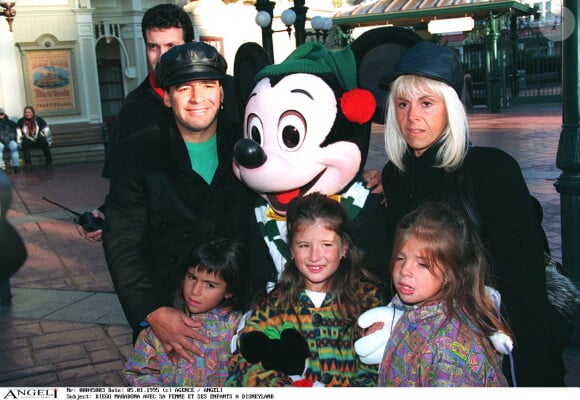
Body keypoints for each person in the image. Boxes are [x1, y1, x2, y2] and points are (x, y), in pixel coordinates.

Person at [379, 41, 569, 386]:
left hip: (491, 343)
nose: (412, 116)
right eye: (402, 104)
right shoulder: (395, 176)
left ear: (450, 107)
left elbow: (524, 284)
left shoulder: (491, 170)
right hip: (419, 345)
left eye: (426, 103)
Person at [102, 41, 253, 363]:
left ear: (222, 92)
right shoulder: (137, 152)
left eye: (208, 86)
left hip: (243, 316)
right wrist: (152, 311)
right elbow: (122, 240)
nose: (198, 99)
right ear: (167, 97)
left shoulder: (250, 142)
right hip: (170, 312)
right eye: (184, 88)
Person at [227, 193, 383, 387]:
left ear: (344, 248)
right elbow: (242, 363)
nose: (314, 256)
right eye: (304, 245)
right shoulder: (276, 304)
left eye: (326, 245)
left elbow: (376, 368)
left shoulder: (367, 300)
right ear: (291, 250)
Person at [82, 3, 196, 241]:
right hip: (166, 237)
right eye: (153, 46)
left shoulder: (219, 92)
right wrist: (107, 214)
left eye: (171, 46)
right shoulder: (133, 107)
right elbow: (125, 183)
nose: (161, 56)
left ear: (189, 45)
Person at [375, 202, 510, 386]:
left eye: (423, 264)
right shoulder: (411, 304)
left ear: (450, 273)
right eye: (400, 258)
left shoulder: (451, 352)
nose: (405, 270)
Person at [124, 236, 246, 386]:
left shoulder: (240, 326)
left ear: (229, 291)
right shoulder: (162, 325)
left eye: (210, 285)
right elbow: (139, 372)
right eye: (192, 277)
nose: (195, 291)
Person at [0, 108, 20, 174]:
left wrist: (12, 138)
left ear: (4, 114)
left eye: (1, 114)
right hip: (0, 141)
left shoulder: (11, 122)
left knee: (14, 145)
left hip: (10, 140)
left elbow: (16, 132)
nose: (0, 115)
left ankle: (16, 166)